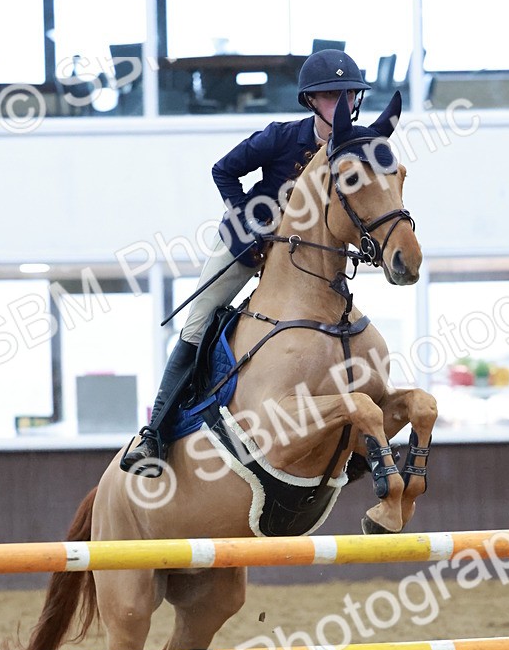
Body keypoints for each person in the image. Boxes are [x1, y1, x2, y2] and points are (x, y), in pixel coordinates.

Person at [121, 49, 371, 475]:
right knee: (198, 322)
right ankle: (154, 437)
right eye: (332, 96)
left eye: (349, 95)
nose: (343, 104)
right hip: (247, 245)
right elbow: (223, 170)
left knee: (344, 326)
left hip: (304, 258)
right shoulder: (280, 137)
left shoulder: (355, 147)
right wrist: (249, 222)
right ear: (311, 101)